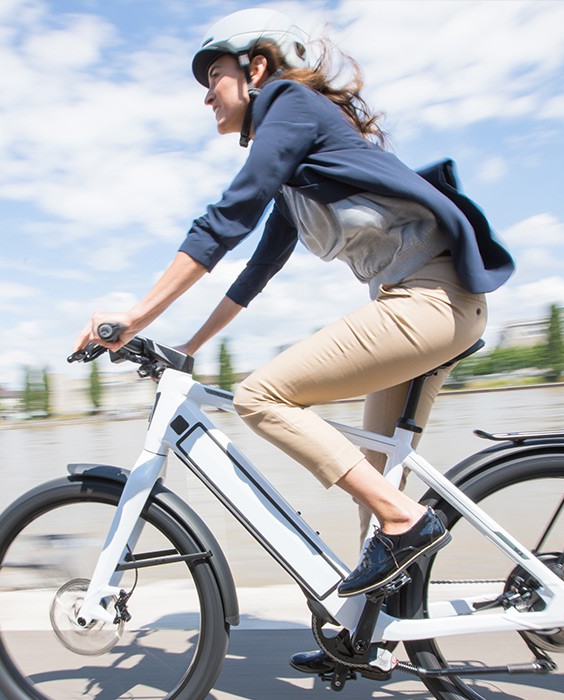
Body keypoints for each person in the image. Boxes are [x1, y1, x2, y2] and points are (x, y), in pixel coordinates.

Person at [72, 7, 514, 676]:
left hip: (430, 301)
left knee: (261, 397)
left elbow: (224, 220)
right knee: (378, 494)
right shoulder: (294, 164)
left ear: (257, 68)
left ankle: (406, 522)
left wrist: (132, 317)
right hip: (430, 305)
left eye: (214, 74)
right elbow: (252, 274)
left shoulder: (291, 104)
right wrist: (181, 344)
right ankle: (368, 641)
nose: (205, 93)